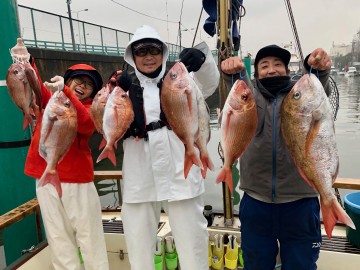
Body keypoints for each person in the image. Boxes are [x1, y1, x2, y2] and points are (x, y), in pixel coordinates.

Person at [116, 25, 219, 270]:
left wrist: (202, 60)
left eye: (154, 50)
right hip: (139, 177)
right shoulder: (121, 88)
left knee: (193, 245)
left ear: (163, 52)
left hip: (180, 174)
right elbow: (101, 119)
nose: (148, 57)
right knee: (139, 248)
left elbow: (211, 84)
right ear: (132, 57)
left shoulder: (182, 79)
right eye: (141, 52)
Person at [220, 44, 332, 270]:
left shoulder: (302, 96)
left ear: (288, 71)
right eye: (264, 66)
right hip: (256, 203)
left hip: (300, 204)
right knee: (256, 265)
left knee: (302, 265)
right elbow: (234, 85)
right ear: (256, 73)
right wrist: (229, 72)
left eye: (278, 65)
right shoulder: (249, 96)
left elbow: (320, 90)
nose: (271, 70)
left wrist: (319, 71)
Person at [10, 39, 109, 270]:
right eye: (78, 80)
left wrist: (65, 91)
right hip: (45, 178)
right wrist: (26, 61)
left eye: (88, 84)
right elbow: (36, 88)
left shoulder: (91, 109)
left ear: (93, 92)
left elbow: (85, 125)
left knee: (89, 237)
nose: (82, 86)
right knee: (58, 238)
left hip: (76, 181)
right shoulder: (52, 100)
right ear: (69, 80)